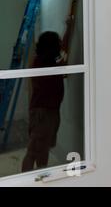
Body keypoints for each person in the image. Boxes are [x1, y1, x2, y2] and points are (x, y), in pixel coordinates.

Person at [22, 17, 74, 171]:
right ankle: (28, 180)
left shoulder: (48, 60)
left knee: (42, 150)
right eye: (56, 44)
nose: (59, 46)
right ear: (52, 47)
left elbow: (63, 51)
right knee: (33, 152)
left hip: (48, 112)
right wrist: (68, 31)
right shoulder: (42, 63)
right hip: (42, 114)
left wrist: (68, 30)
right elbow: (62, 55)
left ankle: (41, 176)